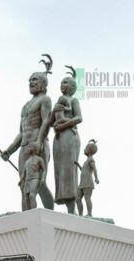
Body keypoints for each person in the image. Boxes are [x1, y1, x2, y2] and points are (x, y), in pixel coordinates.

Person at [2, 71, 54, 209]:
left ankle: (50, 215)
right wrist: (10, 150)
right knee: (24, 185)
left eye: (35, 80)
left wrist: (39, 141)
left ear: (43, 84)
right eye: (30, 80)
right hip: (25, 147)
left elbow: (46, 122)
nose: (31, 83)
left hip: (39, 145)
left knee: (39, 184)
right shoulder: (25, 106)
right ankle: (26, 218)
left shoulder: (45, 99)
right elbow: (22, 132)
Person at [51, 75, 83, 214]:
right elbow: (51, 121)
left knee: (69, 170)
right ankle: (67, 205)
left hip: (70, 136)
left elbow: (79, 118)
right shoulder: (58, 103)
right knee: (60, 171)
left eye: (65, 82)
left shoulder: (74, 100)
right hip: (58, 138)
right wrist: (55, 114)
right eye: (61, 82)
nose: (62, 84)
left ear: (71, 86)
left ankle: (72, 208)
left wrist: (64, 124)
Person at [19, 142, 47, 211]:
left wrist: (43, 178)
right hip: (27, 180)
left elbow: (44, 170)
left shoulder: (39, 159)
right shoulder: (27, 162)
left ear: (34, 148)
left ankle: (34, 211)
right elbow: (24, 173)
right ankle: (29, 212)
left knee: (32, 195)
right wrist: (21, 180)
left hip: (35, 178)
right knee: (26, 197)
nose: (27, 149)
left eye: (29, 147)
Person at [75, 139, 99, 217]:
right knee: (77, 198)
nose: (84, 150)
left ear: (89, 150)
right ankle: (80, 214)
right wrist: (78, 165)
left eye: (85, 148)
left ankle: (89, 213)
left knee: (87, 198)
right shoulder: (86, 161)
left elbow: (94, 169)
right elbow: (83, 170)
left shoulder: (91, 159)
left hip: (88, 182)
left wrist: (96, 178)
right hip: (82, 182)